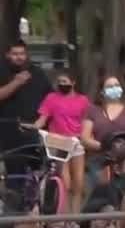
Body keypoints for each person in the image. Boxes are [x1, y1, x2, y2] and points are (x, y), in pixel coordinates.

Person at [29, 71, 90, 212]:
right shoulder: (51, 98)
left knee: (78, 184)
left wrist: (84, 136)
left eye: (65, 82)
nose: (62, 85)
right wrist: (33, 127)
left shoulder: (83, 100)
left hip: (76, 140)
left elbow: (86, 121)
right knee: (65, 182)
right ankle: (65, 216)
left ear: (73, 83)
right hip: (58, 141)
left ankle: (76, 218)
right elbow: (42, 119)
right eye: (60, 82)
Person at [0, 41, 52, 178]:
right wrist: (16, 83)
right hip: (9, 132)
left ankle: (35, 198)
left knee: (37, 173)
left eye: (22, 54)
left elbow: (50, 98)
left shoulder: (37, 73)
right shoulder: (2, 71)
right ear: (8, 55)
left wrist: (43, 119)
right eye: (15, 54)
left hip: (34, 131)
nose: (19, 57)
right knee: (15, 176)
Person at [80, 75, 125, 190]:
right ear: (102, 91)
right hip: (101, 159)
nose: (114, 88)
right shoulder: (92, 111)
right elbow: (85, 138)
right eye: (110, 86)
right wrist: (105, 146)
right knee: (101, 194)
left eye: (116, 85)